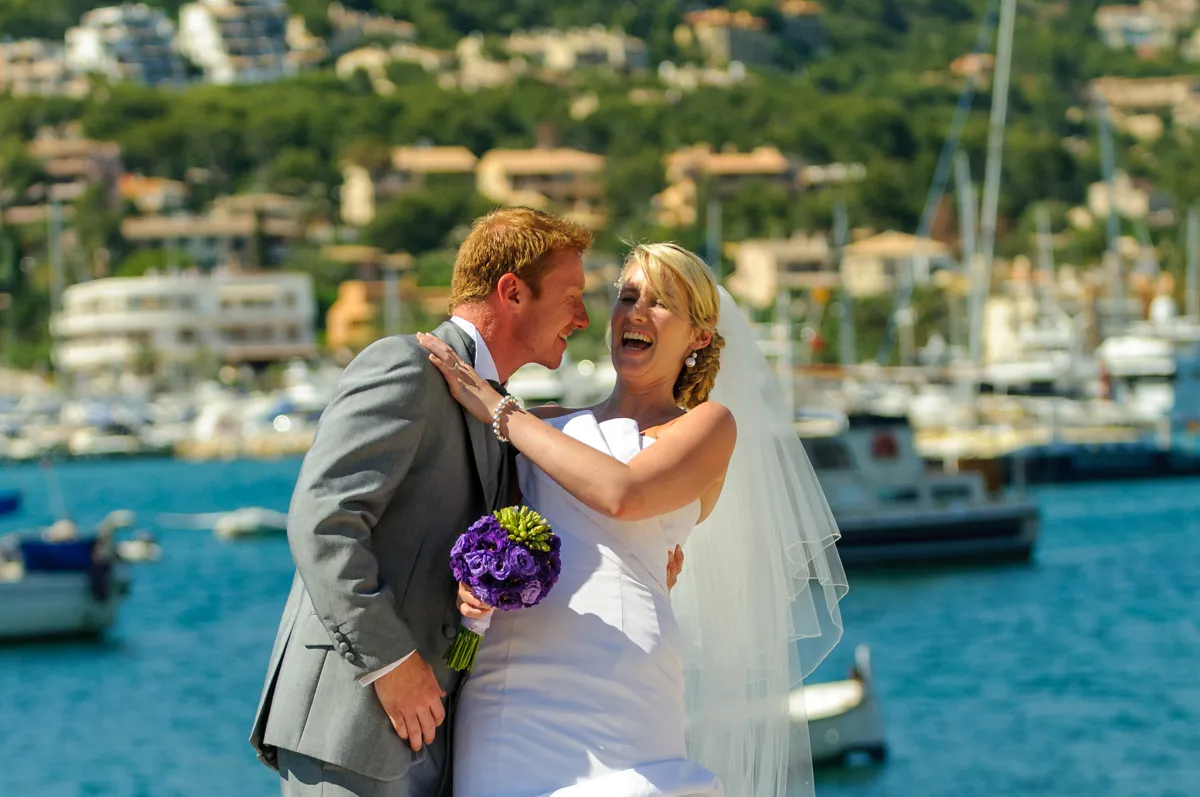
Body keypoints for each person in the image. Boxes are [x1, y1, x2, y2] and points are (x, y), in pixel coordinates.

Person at [418, 242, 848, 797]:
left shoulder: (708, 426)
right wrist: (467, 592)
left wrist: (499, 408)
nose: (636, 313)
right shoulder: (539, 423)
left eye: (661, 301)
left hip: (620, 676)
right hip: (505, 688)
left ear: (698, 336)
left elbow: (624, 493)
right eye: (627, 297)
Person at [251, 207, 611, 797]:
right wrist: (391, 664)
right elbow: (323, 522)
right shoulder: (406, 365)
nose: (583, 316)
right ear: (512, 292)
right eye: (571, 295)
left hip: (434, 735)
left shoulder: (496, 405)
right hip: (355, 718)